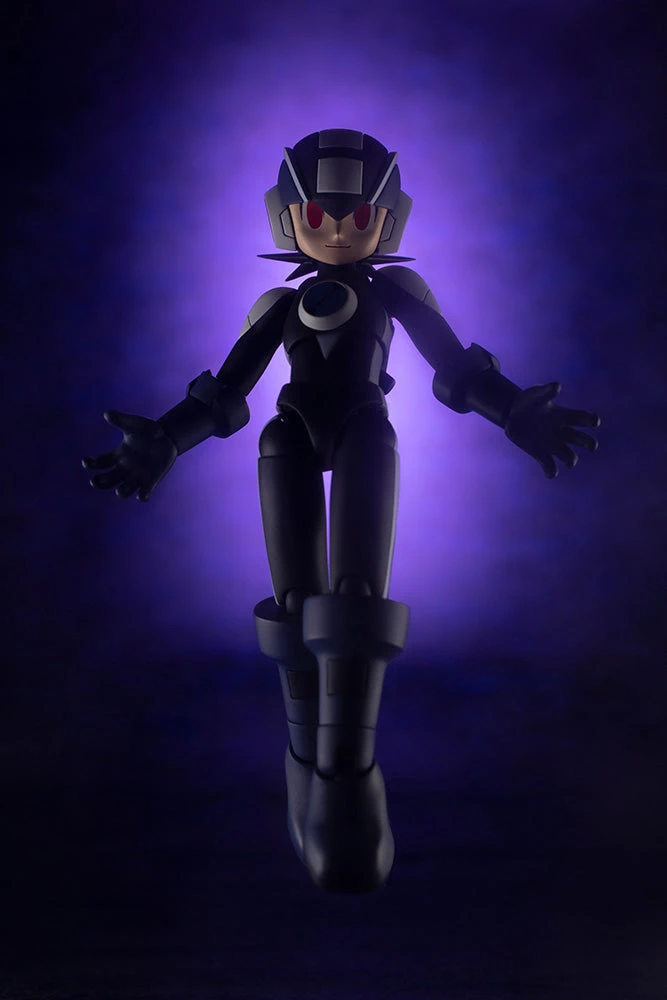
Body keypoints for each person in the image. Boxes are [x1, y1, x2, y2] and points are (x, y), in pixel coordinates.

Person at [83, 129, 600, 893]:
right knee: (298, 609)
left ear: (384, 220)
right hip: (288, 435)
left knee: (354, 600)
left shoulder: (396, 295)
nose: (334, 230)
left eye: (355, 217)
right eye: (317, 216)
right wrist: (165, 438)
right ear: (287, 217)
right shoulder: (279, 305)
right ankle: (306, 769)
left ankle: (347, 781)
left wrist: (512, 411)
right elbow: (227, 389)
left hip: (363, 429)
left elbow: (453, 366)